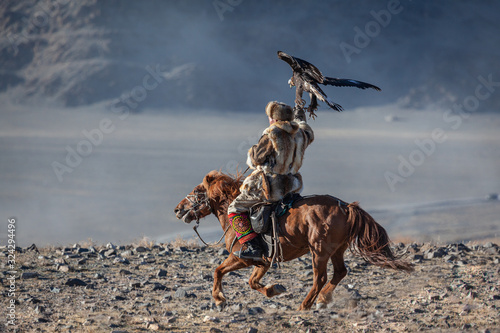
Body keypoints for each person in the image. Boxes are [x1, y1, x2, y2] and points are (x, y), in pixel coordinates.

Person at [228, 101, 314, 260]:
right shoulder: (300, 134)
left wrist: (253, 152)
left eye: (270, 117)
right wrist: (301, 116)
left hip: (272, 186)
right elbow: (307, 130)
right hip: (292, 186)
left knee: (234, 208)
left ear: (274, 118)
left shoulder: (272, 134)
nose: (269, 119)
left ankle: (252, 247)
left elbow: (255, 159)